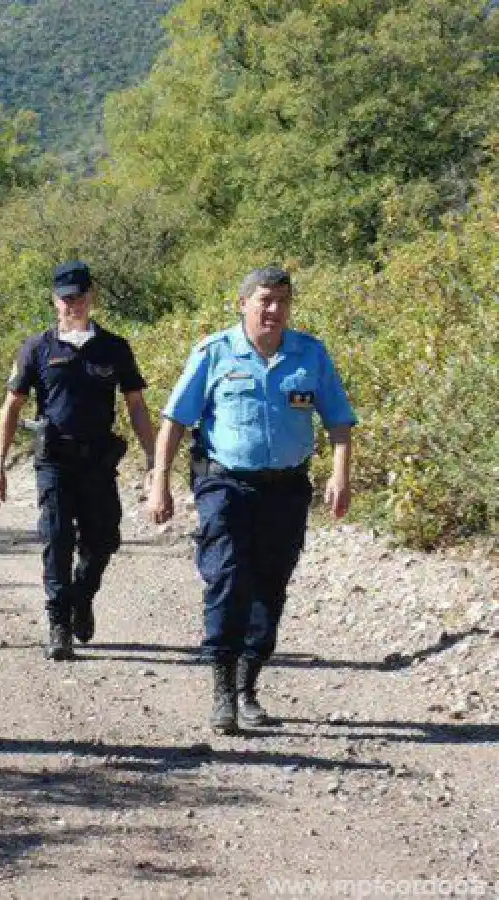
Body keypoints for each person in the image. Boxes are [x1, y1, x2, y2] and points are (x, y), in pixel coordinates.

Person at [147, 266, 356, 735]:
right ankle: (223, 687)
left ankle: (247, 685)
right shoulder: (214, 352)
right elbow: (174, 422)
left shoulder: (310, 354)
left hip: (286, 488)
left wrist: (340, 474)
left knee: (270, 582)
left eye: (283, 300)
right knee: (227, 576)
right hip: (225, 484)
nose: (274, 309)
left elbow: (338, 421)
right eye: (265, 300)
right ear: (243, 303)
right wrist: (159, 482)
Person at [0, 261, 156, 661]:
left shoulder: (114, 347)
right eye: (65, 298)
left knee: (104, 539)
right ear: (54, 300)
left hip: (98, 460)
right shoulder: (37, 348)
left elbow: (135, 404)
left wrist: (155, 460)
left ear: (91, 297)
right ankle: (59, 622)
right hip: (55, 461)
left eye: (79, 297)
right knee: (57, 538)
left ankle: (83, 593)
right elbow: (12, 407)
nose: (72, 305)